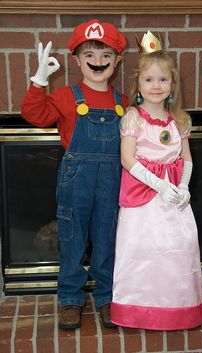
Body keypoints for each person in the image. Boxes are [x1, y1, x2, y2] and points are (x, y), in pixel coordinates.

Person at [21, 18, 127, 330]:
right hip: (75, 181)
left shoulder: (122, 102)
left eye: (106, 56)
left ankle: (107, 296)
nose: (98, 62)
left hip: (112, 181)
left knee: (107, 238)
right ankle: (70, 298)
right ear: (77, 60)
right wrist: (39, 80)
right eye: (90, 56)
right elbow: (34, 114)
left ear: (117, 61)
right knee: (72, 238)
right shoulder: (67, 96)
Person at [111, 31, 202, 330]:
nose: (156, 86)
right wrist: (161, 185)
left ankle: (179, 308)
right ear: (138, 84)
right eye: (149, 80)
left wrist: (183, 186)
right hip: (145, 198)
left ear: (172, 85)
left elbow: (186, 157)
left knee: (179, 247)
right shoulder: (132, 118)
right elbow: (128, 159)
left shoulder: (180, 120)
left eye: (163, 80)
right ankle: (138, 309)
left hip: (174, 199)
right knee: (143, 251)